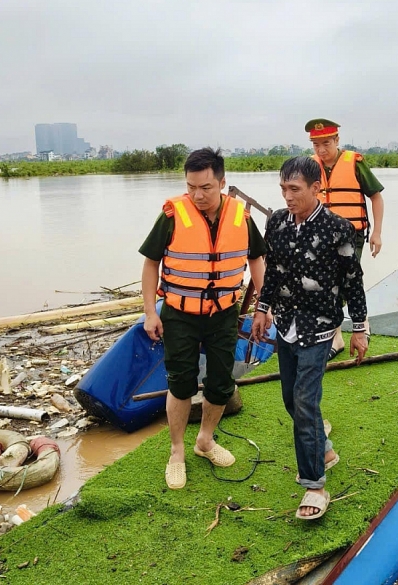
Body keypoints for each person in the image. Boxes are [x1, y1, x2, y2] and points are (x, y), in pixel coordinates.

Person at [139, 147, 268, 490]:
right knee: (180, 383)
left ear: (223, 183)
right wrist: (151, 312)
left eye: (206, 187)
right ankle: (177, 450)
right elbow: (151, 263)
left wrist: (264, 304)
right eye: (191, 186)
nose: (197, 195)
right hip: (179, 313)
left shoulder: (241, 216)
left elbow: (256, 260)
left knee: (221, 382)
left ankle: (205, 441)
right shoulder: (172, 214)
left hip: (224, 312)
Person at [251, 156, 369, 520]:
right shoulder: (277, 223)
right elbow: (272, 272)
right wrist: (261, 307)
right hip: (285, 325)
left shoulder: (338, 229)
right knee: (291, 399)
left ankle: (315, 484)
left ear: (317, 188)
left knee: (304, 402)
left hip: (319, 328)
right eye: (283, 189)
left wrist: (359, 328)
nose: (288, 197)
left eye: (295, 190)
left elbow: (353, 282)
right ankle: (326, 449)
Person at [305, 118, 385, 357]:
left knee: (347, 281)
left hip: (352, 235)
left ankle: (351, 329)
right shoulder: (309, 166)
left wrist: (377, 233)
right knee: (327, 285)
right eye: (316, 144)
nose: (321, 149)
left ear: (337, 140)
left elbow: (376, 197)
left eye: (326, 143)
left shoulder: (354, 163)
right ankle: (338, 337)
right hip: (320, 237)